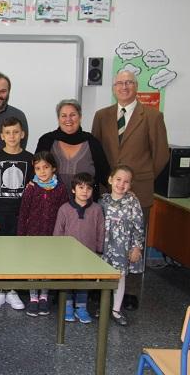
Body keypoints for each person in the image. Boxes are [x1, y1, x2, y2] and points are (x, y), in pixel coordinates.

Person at [92, 70, 168, 310]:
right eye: (120, 83)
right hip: (108, 193)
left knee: (134, 240)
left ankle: (131, 291)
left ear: (136, 86)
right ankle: (102, 285)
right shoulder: (102, 116)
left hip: (138, 191)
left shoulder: (153, 116)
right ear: (113, 87)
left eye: (129, 83)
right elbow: (96, 150)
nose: (124, 87)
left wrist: (139, 179)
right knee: (105, 240)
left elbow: (161, 155)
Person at [0, 117, 33, 311]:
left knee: (16, 254)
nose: (12, 136)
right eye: (8, 133)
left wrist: (29, 216)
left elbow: (33, 191)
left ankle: (12, 290)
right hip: (0, 215)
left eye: (16, 132)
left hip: (21, 215)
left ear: (22, 134)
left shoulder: (30, 158)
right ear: (2, 136)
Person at [18, 151, 69, 317]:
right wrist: (21, 237)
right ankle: (33, 298)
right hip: (32, 235)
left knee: (47, 266)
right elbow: (23, 213)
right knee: (33, 266)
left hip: (52, 236)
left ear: (53, 168)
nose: (42, 171)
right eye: (38, 168)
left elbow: (65, 214)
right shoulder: (31, 188)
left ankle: (44, 296)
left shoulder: (61, 189)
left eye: (46, 167)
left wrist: (63, 237)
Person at [53, 172, 105, 324]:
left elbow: (101, 231)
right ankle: (67, 306)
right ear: (74, 190)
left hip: (89, 254)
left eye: (88, 188)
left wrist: (99, 251)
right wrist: (57, 251)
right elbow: (58, 230)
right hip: (67, 254)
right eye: (81, 187)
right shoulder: (64, 209)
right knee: (68, 281)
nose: (85, 191)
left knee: (84, 281)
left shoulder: (97, 209)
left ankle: (81, 307)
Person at [36, 99, 110, 199]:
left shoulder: (92, 142)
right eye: (64, 116)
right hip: (51, 206)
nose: (68, 119)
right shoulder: (46, 141)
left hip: (85, 208)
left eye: (72, 115)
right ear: (58, 118)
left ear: (80, 117)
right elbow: (35, 172)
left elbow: (105, 176)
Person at [99, 165, 144, 326]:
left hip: (123, 248)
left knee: (120, 277)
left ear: (130, 185)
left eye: (126, 182)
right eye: (118, 179)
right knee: (104, 277)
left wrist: (137, 247)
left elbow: (139, 225)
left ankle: (116, 310)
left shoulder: (132, 201)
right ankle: (103, 306)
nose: (121, 184)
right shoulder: (103, 200)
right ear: (110, 180)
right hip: (104, 246)